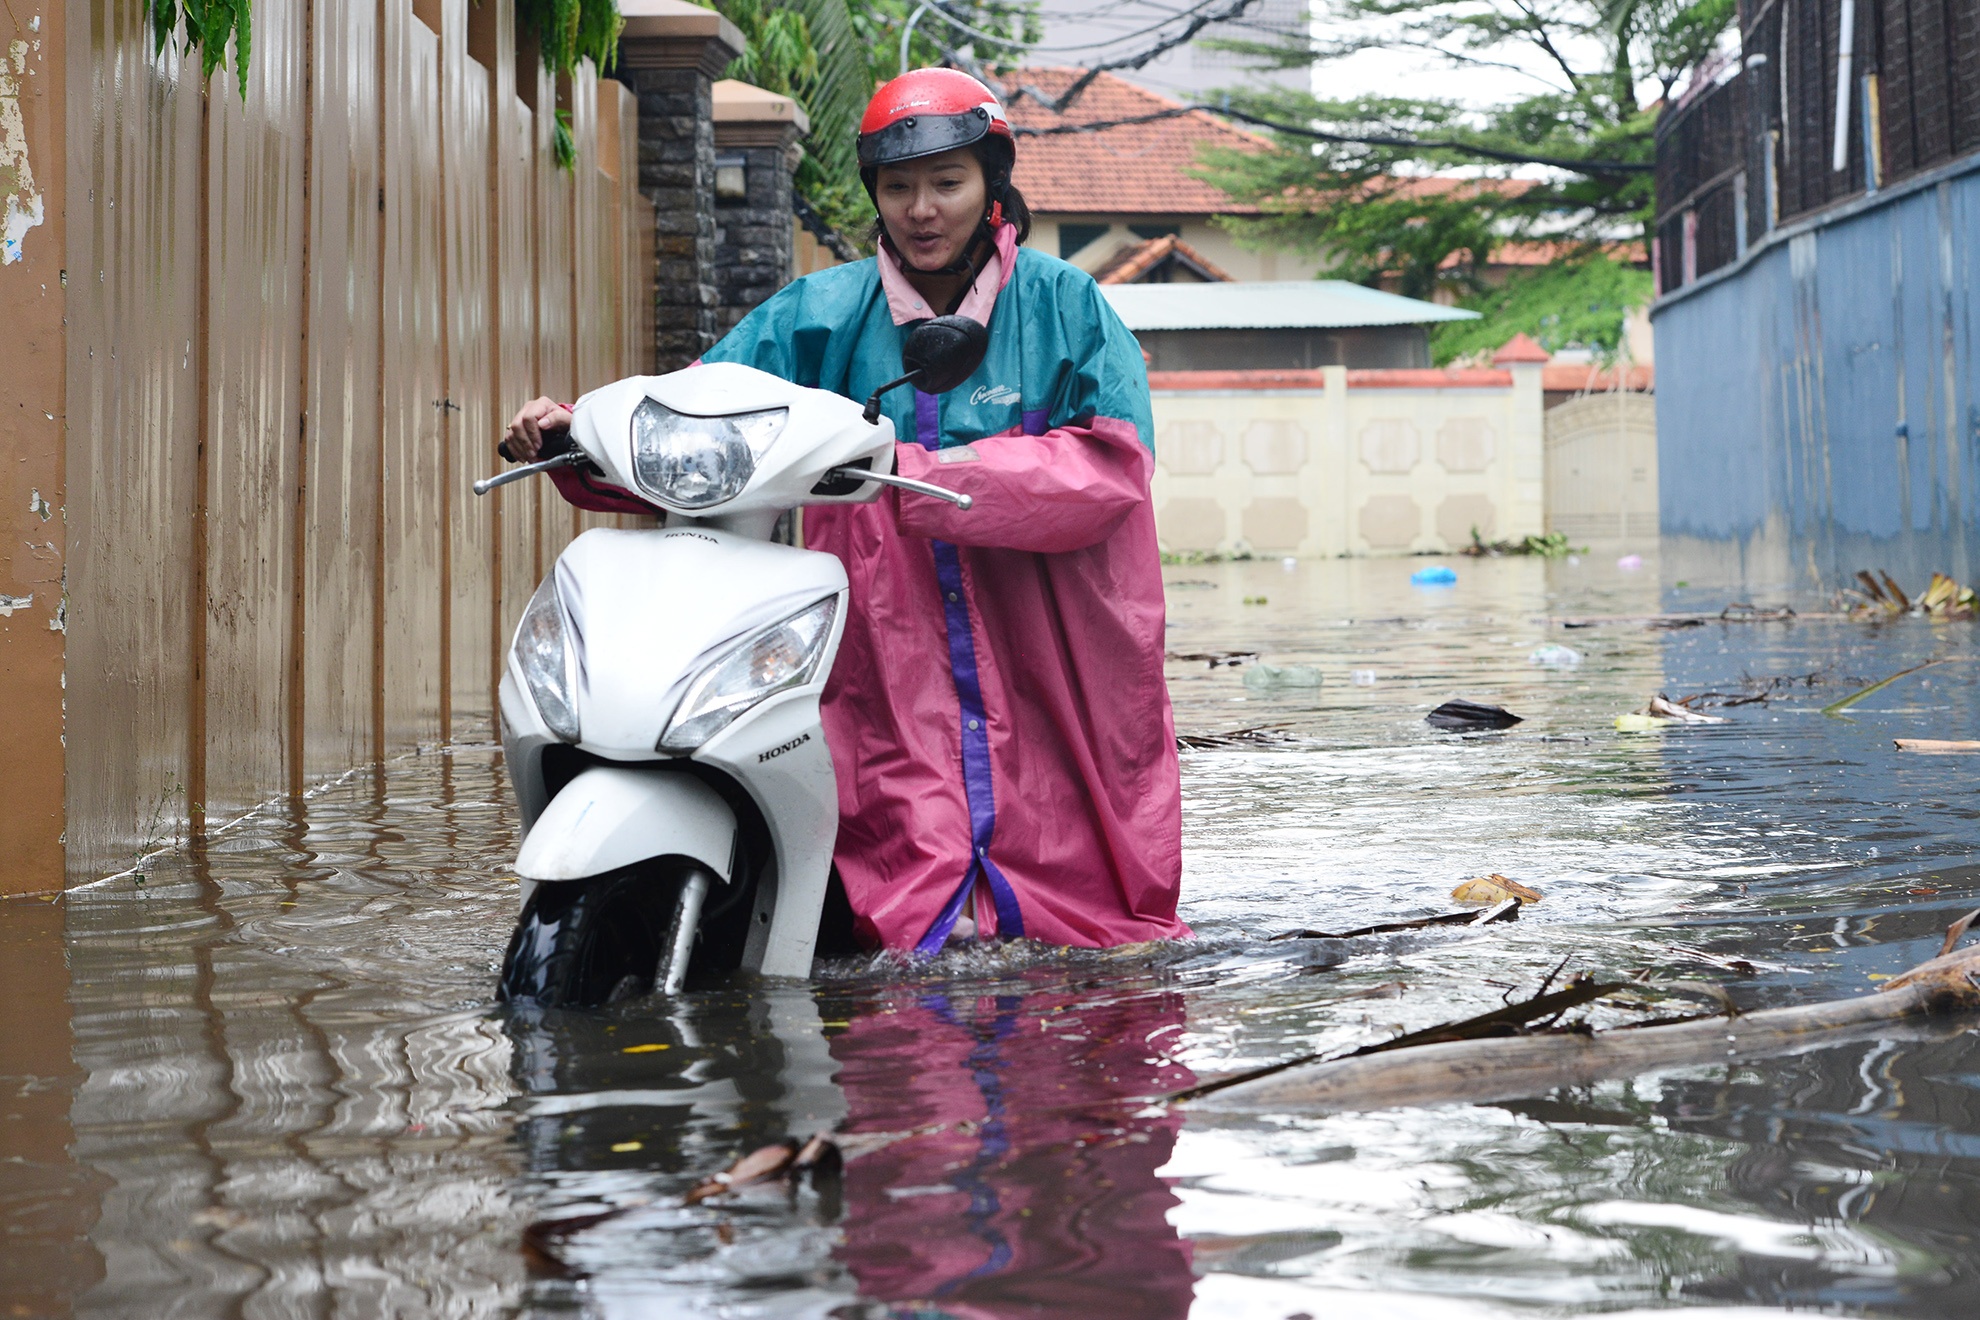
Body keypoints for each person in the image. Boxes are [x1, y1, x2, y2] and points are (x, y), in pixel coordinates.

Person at [502, 68, 1187, 954]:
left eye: (947, 182)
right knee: (892, 911)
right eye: (898, 187)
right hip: (889, 658)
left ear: (991, 187)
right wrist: (578, 433)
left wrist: (915, 468)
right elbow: (699, 419)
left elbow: (1111, 468)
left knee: (1089, 949)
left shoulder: (1067, 306)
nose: (922, 209)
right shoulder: (816, 315)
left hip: (1050, 653)